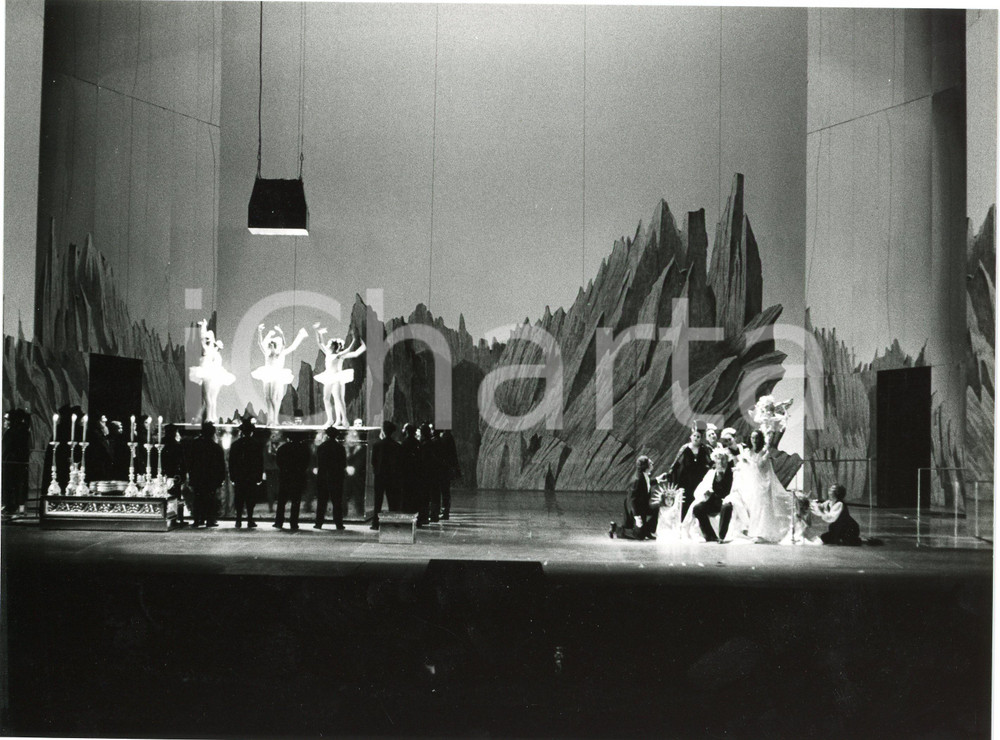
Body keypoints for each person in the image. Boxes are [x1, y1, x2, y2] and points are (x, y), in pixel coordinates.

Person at [730, 429, 795, 543]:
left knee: (762, 508)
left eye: (757, 438)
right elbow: (742, 468)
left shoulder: (765, 452)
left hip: (763, 484)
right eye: (752, 438)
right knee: (753, 508)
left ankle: (761, 533)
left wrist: (751, 461)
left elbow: (760, 466)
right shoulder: (747, 452)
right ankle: (753, 531)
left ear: (761, 439)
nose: (754, 440)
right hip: (751, 485)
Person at [251, 324, 308, 425]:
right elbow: (259, 343)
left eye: (273, 344)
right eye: (270, 344)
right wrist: (259, 331)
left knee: (273, 398)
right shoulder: (266, 353)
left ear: (276, 346)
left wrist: (281, 332)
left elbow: (286, 344)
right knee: (267, 397)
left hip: (276, 376)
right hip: (267, 374)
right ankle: (270, 419)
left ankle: (274, 419)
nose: (271, 345)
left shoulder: (280, 354)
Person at [313, 325, 367, 428]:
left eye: (331, 345)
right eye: (330, 345)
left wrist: (354, 340)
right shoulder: (328, 353)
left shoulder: (340, 355)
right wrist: (317, 331)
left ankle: (345, 420)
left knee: (338, 399)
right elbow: (320, 343)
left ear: (335, 347)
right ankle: (330, 420)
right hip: (329, 376)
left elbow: (350, 351)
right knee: (326, 398)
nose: (329, 346)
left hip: (337, 377)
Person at [683, 446, 734, 542]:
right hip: (713, 501)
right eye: (718, 459)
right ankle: (710, 535)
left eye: (723, 459)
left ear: (727, 460)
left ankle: (722, 536)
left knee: (726, 507)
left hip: (727, 501)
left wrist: (728, 498)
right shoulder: (711, 473)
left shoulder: (733, 474)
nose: (720, 461)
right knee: (698, 508)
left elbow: (736, 490)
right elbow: (700, 489)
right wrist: (706, 492)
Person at [188, 319, 236, 423]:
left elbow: (202, 338)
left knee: (207, 397)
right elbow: (203, 338)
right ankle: (212, 416)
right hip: (214, 376)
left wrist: (203, 327)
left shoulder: (209, 350)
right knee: (212, 398)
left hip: (208, 375)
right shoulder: (215, 354)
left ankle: (210, 417)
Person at [610, 455, 666, 540]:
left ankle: (647, 531)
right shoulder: (637, 479)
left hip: (642, 506)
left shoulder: (643, 475)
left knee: (656, 509)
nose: (652, 463)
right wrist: (637, 517)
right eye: (650, 463)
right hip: (634, 507)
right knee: (639, 536)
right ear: (645, 466)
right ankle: (616, 529)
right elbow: (632, 499)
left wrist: (658, 479)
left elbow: (646, 484)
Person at [186, 421, 226, 527]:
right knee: (210, 499)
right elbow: (221, 465)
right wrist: (221, 479)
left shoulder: (195, 445)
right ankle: (209, 519)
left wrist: (190, 475)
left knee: (198, 498)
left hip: (197, 477)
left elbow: (190, 461)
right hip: (211, 478)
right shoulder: (215, 447)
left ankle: (197, 519)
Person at [668, 426, 712, 520]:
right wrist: (671, 474)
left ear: (701, 439)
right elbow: (676, 463)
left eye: (698, 437)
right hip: (686, 480)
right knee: (686, 501)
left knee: (698, 500)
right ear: (691, 437)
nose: (696, 438)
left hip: (699, 480)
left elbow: (710, 462)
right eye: (694, 436)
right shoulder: (685, 448)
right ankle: (682, 522)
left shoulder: (704, 449)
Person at [229, 418, 264, 528]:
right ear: (252, 432)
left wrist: (232, 476)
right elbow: (259, 462)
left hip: (239, 476)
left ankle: (238, 520)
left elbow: (231, 462)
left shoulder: (235, 445)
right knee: (250, 499)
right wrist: (259, 476)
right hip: (251, 476)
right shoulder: (256, 444)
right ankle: (250, 519)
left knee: (239, 499)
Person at [274, 432, 310, 530]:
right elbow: (306, 463)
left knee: (281, 501)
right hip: (298, 477)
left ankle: (278, 522)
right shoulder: (304, 449)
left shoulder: (283, 448)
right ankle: (293, 523)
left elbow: (278, 462)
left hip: (285, 477)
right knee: (296, 501)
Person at [314, 427, 347, 530]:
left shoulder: (322, 447)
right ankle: (338, 524)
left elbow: (319, 462)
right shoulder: (340, 447)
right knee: (337, 501)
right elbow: (343, 463)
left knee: (322, 501)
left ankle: (319, 523)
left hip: (323, 476)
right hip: (336, 477)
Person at [2, 409, 31, 519]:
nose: (5, 422)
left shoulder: (13, 432)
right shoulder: (22, 431)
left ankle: (12, 506)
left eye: (6, 419)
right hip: (14, 463)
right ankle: (14, 505)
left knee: (13, 484)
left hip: (12, 464)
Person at [370, 420, 399, 529]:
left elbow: (373, 461)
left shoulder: (377, 445)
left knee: (378, 501)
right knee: (393, 500)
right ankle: (393, 522)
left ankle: (375, 523)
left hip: (380, 475)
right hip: (392, 476)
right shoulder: (396, 446)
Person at [159, 423, 188, 524]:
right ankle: (178, 518)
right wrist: (183, 474)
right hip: (175, 473)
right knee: (176, 497)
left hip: (163, 472)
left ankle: (164, 516)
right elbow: (182, 461)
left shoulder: (160, 443)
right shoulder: (177, 445)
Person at [435, 429, 460, 520]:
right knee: (445, 490)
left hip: (444, 469)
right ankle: (445, 511)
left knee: (444, 490)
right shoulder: (447, 436)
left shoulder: (445, 437)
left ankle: (445, 511)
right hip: (446, 468)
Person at [399, 423, 421, 515]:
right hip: (415, 471)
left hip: (406, 472)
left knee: (406, 492)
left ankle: (406, 509)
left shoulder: (404, 443)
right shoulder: (417, 443)